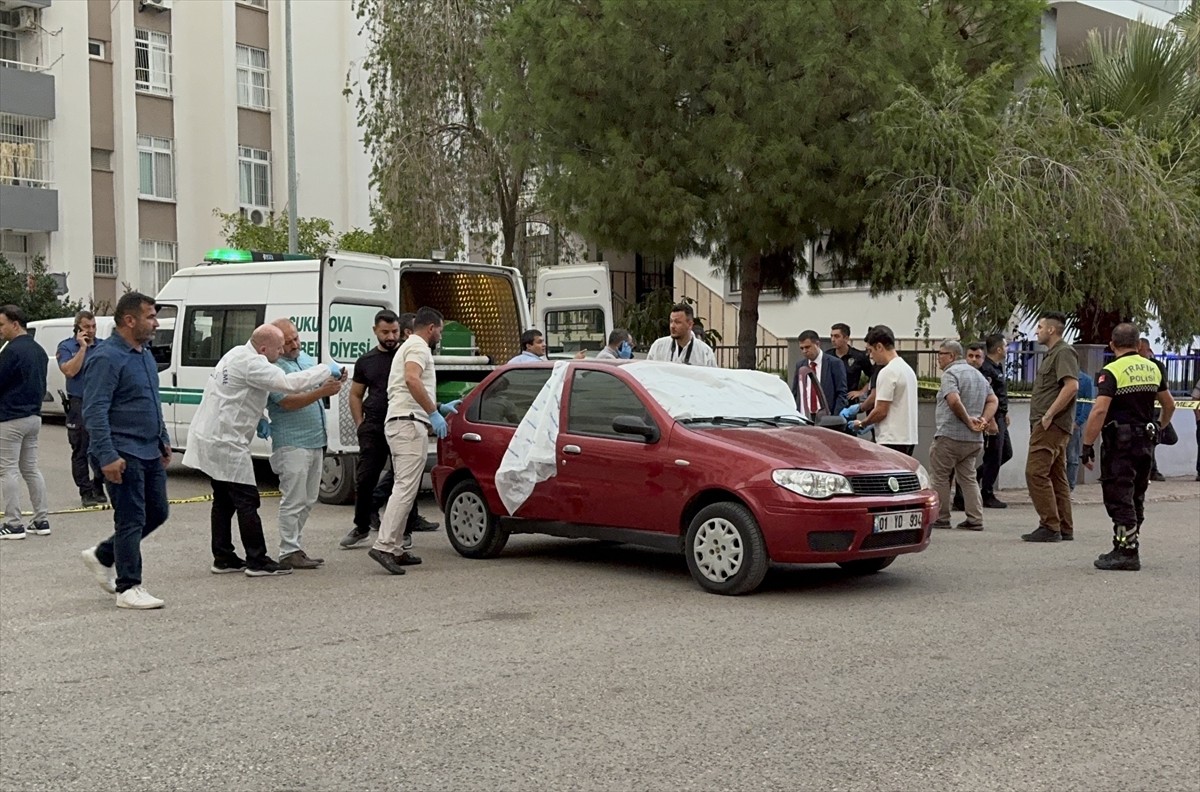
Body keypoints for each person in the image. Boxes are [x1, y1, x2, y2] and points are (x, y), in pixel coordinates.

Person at [184, 323, 343, 577]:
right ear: (264, 348)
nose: (282, 352)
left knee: (224, 501)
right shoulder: (254, 363)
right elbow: (288, 384)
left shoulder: (236, 353)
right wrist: (326, 370)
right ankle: (258, 560)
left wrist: (259, 416)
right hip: (226, 440)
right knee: (248, 500)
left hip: (213, 434)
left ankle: (223, 557)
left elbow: (232, 392)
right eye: (279, 347)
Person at [78, 293, 171, 609]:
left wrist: (163, 438)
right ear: (130, 320)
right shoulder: (106, 358)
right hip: (122, 450)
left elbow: (150, 401)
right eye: (150, 316)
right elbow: (94, 410)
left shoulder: (143, 353)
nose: (156, 322)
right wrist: (107, 456)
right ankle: (128, 587)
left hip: (148, 448)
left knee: (158, 512)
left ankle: (103, 555)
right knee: (131, 518)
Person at [369, 307, 459, 575]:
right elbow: (411, 379)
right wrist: (433, 412)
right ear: (431, 328)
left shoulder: (408, 346)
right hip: (408, 423)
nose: (440, 336)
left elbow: (405, 385)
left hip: (403, 420)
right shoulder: (419, 347)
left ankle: (396, 547)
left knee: (404, 486)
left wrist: (437, 406)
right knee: (405, 488)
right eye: (440, 330)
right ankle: (384, 546)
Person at [1080, 323, 1175, 571]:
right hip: (1145, 443)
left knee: (1119, 496)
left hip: (1120, 444)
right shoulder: (1153, 368)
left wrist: (1087, 444)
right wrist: (1159, 427)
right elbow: (1170, 405)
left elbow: (1100, 409)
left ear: (1112, 345)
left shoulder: (1111, 371)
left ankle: (1127, 552)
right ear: (1138, 345)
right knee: (1136, 495)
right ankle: (1124, 543)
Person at [340, 311, 437, 551]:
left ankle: (404, 529)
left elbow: (417, 382)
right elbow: (355, 394)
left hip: (400, 419)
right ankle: (363, 525)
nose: (391, 336)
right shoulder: (367, 361)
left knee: (403, 478)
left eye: (395, 331)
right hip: (376, 423)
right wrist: (360, 423)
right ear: (375, 331)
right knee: (366, 478)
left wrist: (434, 408)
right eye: (385, 332)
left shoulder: (406, 352)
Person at [264, 319, 345, 570]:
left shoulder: (307, 359)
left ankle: (295, 547)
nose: (294, 344)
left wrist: (336, 378)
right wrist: (322, 392)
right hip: (291, 442)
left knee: (309, 498)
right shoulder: (274, 369)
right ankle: (288, 549)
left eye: (296, 338)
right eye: (287, 342)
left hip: (315, 440)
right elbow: (287, 402)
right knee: (294, 497)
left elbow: (321, 384)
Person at [1021, 311, 1079, 543]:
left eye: (1040, 327)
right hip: (1051, 424)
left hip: (1051, 424)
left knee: (1035, 472)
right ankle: (1063, 526)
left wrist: (1048, 415)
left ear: (1051, 330)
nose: (1036, 331)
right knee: (1056, 476)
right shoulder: (1054, 354)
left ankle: (1049, 525)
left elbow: (1071, 386)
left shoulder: (1063, 352)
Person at [929, 341, 997, 531]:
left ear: (951, 356)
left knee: (940, 476)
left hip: (950, 435)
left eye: (941, 354)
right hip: (973, 440)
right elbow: (993, 399)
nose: (938, 358)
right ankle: (975, 518)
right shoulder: (978, 375)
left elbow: (953, 399)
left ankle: (941, 517)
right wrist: (983, 420)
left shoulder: (950, 374)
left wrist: (968, 420)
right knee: (968, 477)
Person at [0, 304, 50, 540]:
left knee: (7, 470)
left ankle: (13, 523)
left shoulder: (10, 351)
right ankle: (41, 519)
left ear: (15, 324)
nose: (0, 330)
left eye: (2, 325)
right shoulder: (39, 351)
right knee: (30, 469)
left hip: (10, 417)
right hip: (34, 416)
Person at [57, 310, 107, 506]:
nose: (91, 330)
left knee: (101, 447)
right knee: (80, 449)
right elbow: (70, 370)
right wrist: (83, 348)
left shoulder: (103, 346)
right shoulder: (67, 346)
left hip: (100, 403)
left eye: (93, 326)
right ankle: (85, 491)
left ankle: (99, 484)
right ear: (77, 327)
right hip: (79, 403)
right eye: (87, 327)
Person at [851, 325, 918, 456]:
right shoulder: (907, 369)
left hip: (891, 439)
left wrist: (862, 424)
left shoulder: (887, 372)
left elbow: (881, 411)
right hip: (908, 437)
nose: (871, 356)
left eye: (870, 350)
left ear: (879, 347)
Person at [977, 334, 1012, 509]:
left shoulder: (997, 367)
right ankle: (987, 493)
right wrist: (990, 419)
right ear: (999, 349)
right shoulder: (987, 369)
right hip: (992, 418)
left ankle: (977, 476)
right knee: (993, 456)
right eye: (1005, 346)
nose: (1007, 349)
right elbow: (987, 396)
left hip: (1000, 416)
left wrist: (1005, 413)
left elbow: (1000, 394)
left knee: (1006, 453)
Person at [788, 329, 848, 418]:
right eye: (802, 348)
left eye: (807, 347)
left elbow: (841, 392)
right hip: (805, 415)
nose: (804, 351)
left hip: (826, 415)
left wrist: (834, 416)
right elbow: (796, 392)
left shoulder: (834, 363)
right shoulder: (800, 365)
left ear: (817, 344)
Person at [646, 303, 717, 366]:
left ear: (690, 324)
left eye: (677, 322)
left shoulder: (705, 352)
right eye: (671, 321)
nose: (672, 326)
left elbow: (713, 378)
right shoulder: (658, 346)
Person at [1138, 337, 1168, 482]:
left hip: (1154, 410)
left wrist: (1161, 423)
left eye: (1141, 349)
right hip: (1139, 412)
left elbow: (1166, 398)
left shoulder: (1157, 366)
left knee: (1156, 439)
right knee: (1147, 443)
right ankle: (1150, 471)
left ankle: (1151, 470)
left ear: (1148, 350)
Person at [1065, 359, 1094, 494]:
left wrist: (1078, 422)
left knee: (1072, 457)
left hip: (1074, 424)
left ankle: (1069, 488)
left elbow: (1088, 403)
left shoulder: (1086, 381)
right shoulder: (1062, 379)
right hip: (1060, 422)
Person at [830, 323, 873, 403]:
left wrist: (862, 391)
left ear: (846, 338)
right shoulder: (827, 356)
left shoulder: (858, 356)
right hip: (831, 401)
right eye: (831, 336)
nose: (833, 339)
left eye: (836, 336)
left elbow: (873, 375)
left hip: (849, 400)